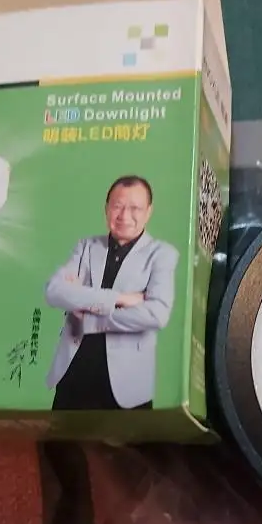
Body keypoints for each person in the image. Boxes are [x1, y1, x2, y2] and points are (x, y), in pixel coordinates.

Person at [45, 175, 178, 410]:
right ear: (106, 209)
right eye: (117, 206)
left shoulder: (162, 254)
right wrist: (119, 299)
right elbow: (54, 291)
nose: (124, 216)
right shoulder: (86, 247)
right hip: (74, 370)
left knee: (125, 437)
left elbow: (157, 314)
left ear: (149, 211)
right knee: (61, 434)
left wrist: (89, 314)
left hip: (127, 383)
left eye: (135, 208)